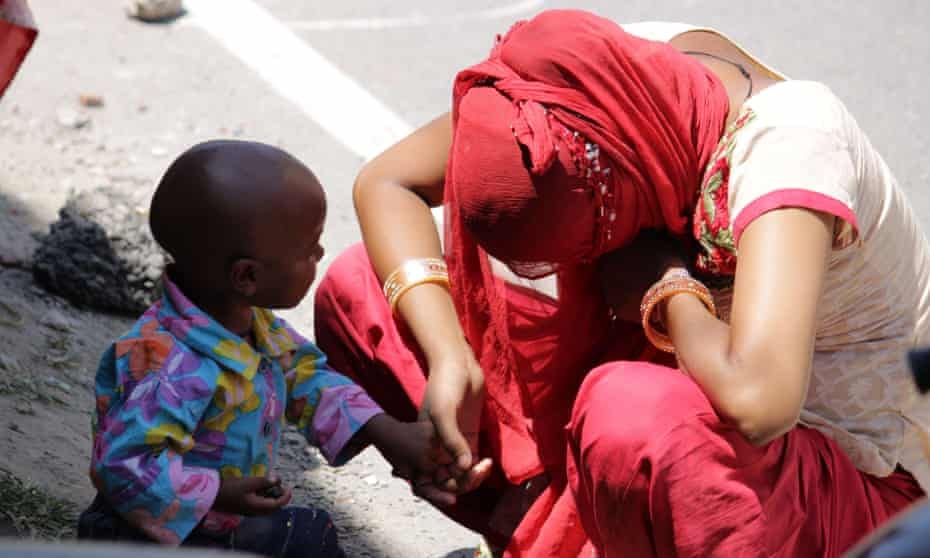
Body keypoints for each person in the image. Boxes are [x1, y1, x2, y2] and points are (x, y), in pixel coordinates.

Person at [315, 10, 930, 558]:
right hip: (693, 407)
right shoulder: (591, 90)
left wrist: (666, 285)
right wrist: (451, 361)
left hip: (841, 490)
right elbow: (387, 183)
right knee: (362, 289)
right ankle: (537, 528)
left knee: (629, 409)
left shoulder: (789, 144)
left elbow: (760, 402)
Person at [78, 140, 445, 557]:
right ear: (247, 276)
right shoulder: (166, 362)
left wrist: (385, 431)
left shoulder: (251, 325)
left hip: (214, 518)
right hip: (144, 535)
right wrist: (217, 493)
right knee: (306, 538)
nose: (320, 254)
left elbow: (305, 376)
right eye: (309, 249)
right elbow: (123, 466)